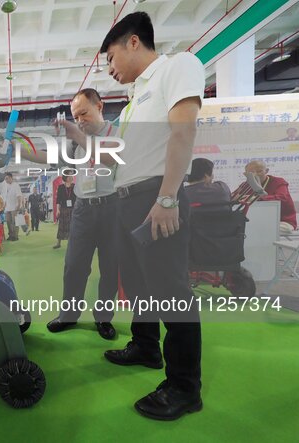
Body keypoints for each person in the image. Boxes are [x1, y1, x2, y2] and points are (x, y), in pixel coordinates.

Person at [100, 11, 204, 420]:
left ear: (132, 42)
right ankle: (145, 347)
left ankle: (184, 386)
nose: (109, 69)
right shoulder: (131, 104)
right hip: (128, 199)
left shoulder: (177, 67)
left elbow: (183, 132)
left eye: (110, 58)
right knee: (139, 285)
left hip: (156, 194)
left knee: (172, 292)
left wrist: (166, 199)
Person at [20, 88, 119, 340]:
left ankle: (104, 318)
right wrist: (20, 151)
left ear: (100, 106)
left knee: (110, 268)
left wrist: (77, 133)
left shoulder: (117, 134)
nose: (80, 120)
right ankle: (69, 315)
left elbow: (109, 160)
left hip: (113, 207)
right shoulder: (75, 143)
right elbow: (50, 157)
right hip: (83, 208)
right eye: (76, 117)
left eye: (84, 113)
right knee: (74, 266)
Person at [233, 160, 297, 232]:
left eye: (259, 171)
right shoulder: (246, 184)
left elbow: (282, 198)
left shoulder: (279, 182)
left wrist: (256, 198)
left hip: (282, 221)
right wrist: (235, 198)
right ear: (246, 174)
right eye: (251, 173)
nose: (255, 175)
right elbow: (233, 196)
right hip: (258, 221)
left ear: (266, 171)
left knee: (260, 229)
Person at [53, 176, 75, 249]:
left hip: (73, 209)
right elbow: (58, 200)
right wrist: (58, 210)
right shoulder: (61, 187)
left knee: (72, 227)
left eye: (72, 176)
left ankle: (71, 244)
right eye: (70, 176)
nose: (72, 177)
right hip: (63, 209)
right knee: (61, 226)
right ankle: (58, 243)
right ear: (66, 177)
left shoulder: (74, 186)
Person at [0, 172, 22, 241]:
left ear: (11, 178)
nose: (6, 180)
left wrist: (18, 205)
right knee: (8, 222)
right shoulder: (5, 186)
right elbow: (5, 198)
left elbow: (19, 196)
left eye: (7, 178)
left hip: (14, 207)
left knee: (15, 222)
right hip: (7, 208)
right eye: (5, 179)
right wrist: (3, 207)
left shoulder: (16, 185)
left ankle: (15, 236)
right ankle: (10, 235)